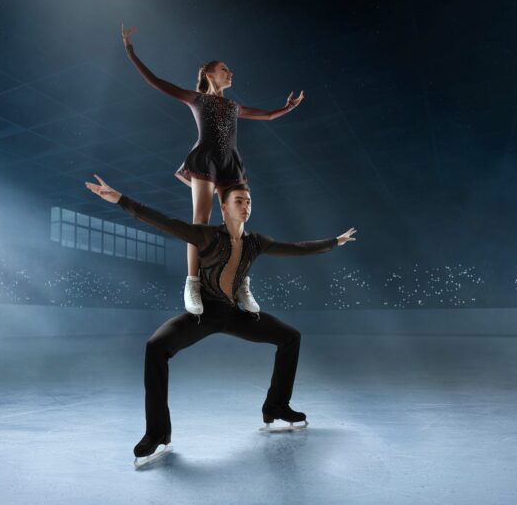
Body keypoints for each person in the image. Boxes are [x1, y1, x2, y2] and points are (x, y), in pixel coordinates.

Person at [84, 173, 356, 465]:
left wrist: (333, 242)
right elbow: (163, 222)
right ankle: (158, 433)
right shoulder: (207, 236)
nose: (245, 205)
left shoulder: (257, 243)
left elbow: (296, 248)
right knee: (155, 347)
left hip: (235, 314)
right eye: (238, 201)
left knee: (290, 337)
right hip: (205, 314)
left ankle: (276, 405)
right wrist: (120, 200)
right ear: (224, 208)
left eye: (248, 201)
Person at [120, 24, 306, 316]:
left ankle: (240, 281)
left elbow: (268, 115)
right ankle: (192, 284)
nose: (230, 73)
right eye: (224, 69)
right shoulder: (197, 99)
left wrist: (287, 108)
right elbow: (156, 81)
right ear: (209, 74)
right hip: (205, 160)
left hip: (231, 162)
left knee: (237, 223)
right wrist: (131, 52)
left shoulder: (234, 105)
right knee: (201, 221)